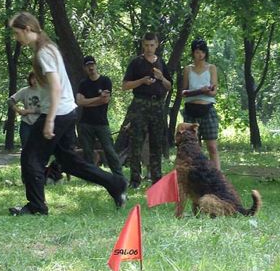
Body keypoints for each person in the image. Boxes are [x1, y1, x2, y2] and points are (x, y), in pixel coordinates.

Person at [8, 11, 127, 215]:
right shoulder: (47, 47)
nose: (16, 38)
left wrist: (50, 120)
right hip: (67, 111)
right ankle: (116, 183)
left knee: (31, 158)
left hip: (58, 113)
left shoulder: (44, 52)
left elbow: (55, 87)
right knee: (69, 162)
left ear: (28, 29)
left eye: (17, 33)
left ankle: (37, 207)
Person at [122, 32, 172, 189]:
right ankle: (135, 180)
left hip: (157, 106)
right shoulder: (136, 62)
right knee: (136, 142)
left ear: (157, 45)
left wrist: (161, 77)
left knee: (157, 142)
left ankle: (157, 179)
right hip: (140, 104)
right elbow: (125, 85)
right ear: (143, 45)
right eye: (146, 45)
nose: (149, 48)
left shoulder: (161, 63)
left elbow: (169, 86)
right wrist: (142, 81)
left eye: (152, 45)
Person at [76, 56, 124, 178]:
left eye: (92, 64)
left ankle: (118, 175)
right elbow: (79, 102)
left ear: (96, 65)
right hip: (85, 123)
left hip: (101, 123)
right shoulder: (83, 83)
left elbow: (105, 100)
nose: (91, 67)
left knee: (109, 150)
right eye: (88, 65)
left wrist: (88, 101)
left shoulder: (105, 81)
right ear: (84, 68)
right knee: (87, 152)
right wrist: (98, 98)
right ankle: (91, 176)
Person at [181, 38, 220, 170]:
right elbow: (184, 92)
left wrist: (208, 91)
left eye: (202, 52)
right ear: (193, 53)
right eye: (197, 52)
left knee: (212, 147)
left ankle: (217, 176)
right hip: (191, 110)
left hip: (207, 109)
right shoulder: (188, 69)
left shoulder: (212, 68)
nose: (200, 55)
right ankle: (195, 174)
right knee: (192, 147)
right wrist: (199, 91)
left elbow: (214, 91)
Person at [8, 71, 41, 148]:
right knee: (26, 148)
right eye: (33, 78)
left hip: (41, 123)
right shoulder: (25, 91)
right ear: (29, 79)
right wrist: (18, 110)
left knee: (39, 148)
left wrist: (29, 111)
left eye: (37, 78)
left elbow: (49, 108)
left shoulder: (45, 91)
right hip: (26, 124)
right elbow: (10, 101)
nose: (35, 80)